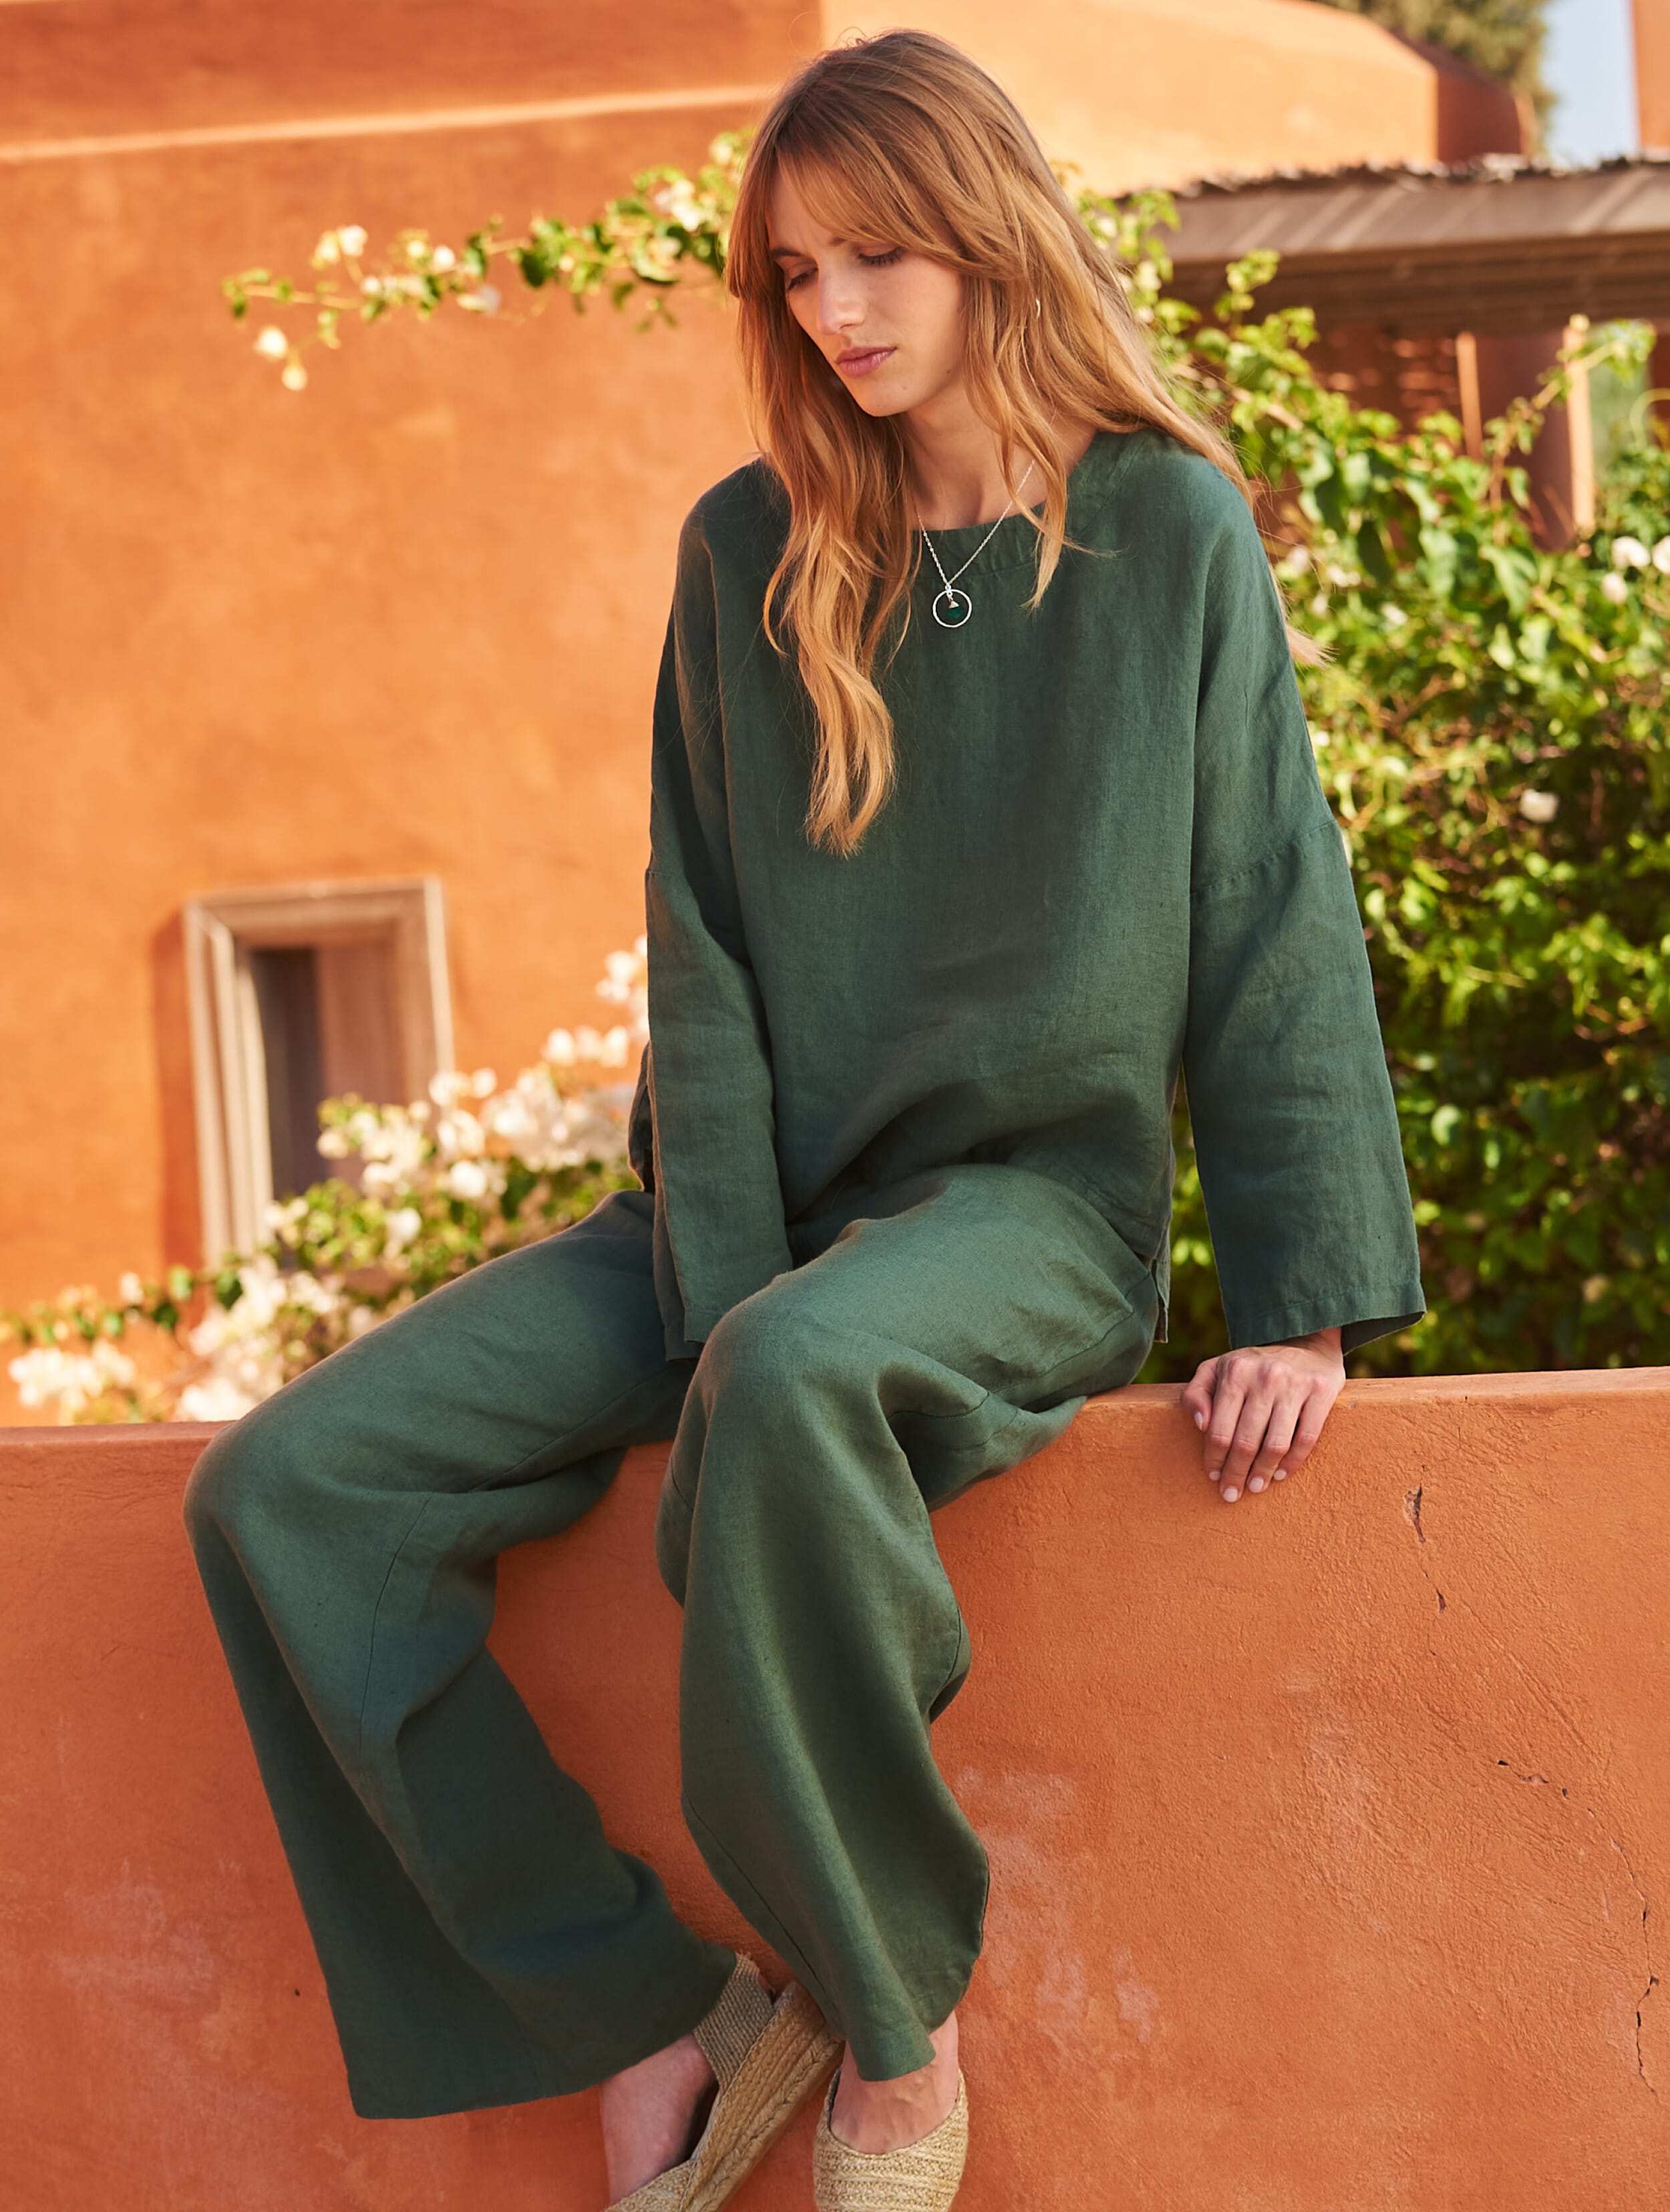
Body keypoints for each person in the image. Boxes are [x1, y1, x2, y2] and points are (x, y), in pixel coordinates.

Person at [184, 27, 1424, 2212]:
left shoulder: (1161, 532)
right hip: (740, 1222)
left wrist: (1299, 1302)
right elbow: (702, 946)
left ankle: (888, 2025)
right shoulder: (747, 553)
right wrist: (721, 1289)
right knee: (290, 1489)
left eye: (876, 255)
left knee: (787, 1375)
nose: (835, 308)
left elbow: (1263, 906)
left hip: (1025, 1216)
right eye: (793, 271)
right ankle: (636, 2004)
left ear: (984, 237)